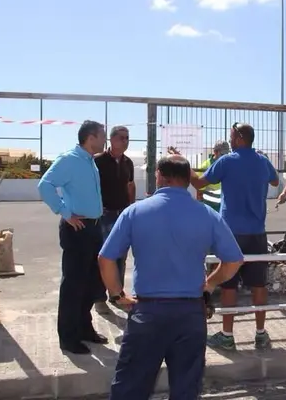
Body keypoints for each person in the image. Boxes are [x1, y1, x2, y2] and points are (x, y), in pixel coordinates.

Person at [98, 155, 244, 400]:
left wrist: (117, 294)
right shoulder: (207, 215)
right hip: (190, 315)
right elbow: (234, 260)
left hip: (147, 313)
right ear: (188, 180)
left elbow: (106, 259)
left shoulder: (135, 212)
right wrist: (210, 284)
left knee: (130, 388)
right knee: (186, 390)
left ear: (160, 176)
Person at [189, 122, 280, 351]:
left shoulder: (227, 161)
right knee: (259, 285)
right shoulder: (262, 161)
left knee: (229, 286)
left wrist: (182, 164)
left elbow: (199, 182)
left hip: (231, 233)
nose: (229, 139)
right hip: (258, 233)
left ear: (239, 137)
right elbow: (276, 181)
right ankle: (261, 334)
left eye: (231, 135)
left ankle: (227, 336)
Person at [37, 120, 108, 355]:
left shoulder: (89, 161)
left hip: (94, 228)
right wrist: (65, 213)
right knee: (74, 285)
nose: (104, 139)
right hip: (77, 230)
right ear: (90, 137)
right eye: (102, 135)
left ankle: (84, 329)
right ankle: (68, 338)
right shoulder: (69, 160)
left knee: (91, 283)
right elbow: (45, 185)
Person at [93, 125, 135, 314]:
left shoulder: (128, 163)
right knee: (104, 256)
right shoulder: (98, 161)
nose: (125, 141)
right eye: (121, 138)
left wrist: (131, 208)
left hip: (122, 215)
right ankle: (99, 297)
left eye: (127, 138)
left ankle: (116, 294)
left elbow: (130, 186)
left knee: (121, 256)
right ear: (111, 140)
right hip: (104, 214)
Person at [197, 140, 230, 212]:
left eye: (226, 154)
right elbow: (199, 190)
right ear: (215, 152)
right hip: (209, 206)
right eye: (222, 154)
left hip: (222, 205)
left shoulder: (227, 165)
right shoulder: (205, 166)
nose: (225, 157)